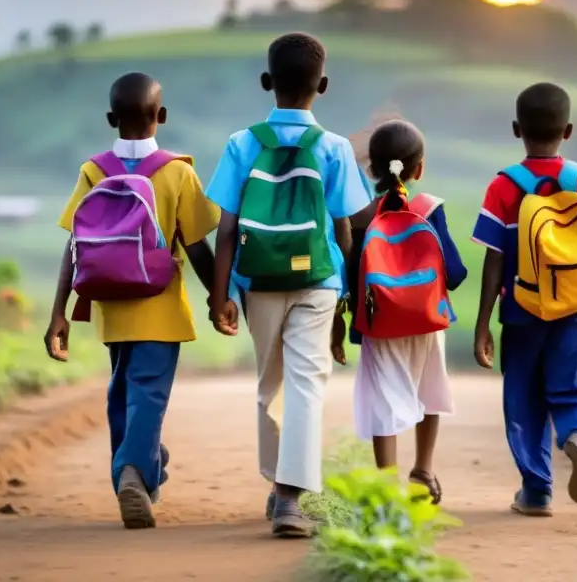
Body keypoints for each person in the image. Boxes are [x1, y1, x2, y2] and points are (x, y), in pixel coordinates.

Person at [205, 33, 371, 538]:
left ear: (266, 82)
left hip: (256, 280)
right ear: (322, 85)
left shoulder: (242, 143)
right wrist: (346, 293)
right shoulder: (335, 147)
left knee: (270, 385)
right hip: (317, 279)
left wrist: (221, 296)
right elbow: (347, 226)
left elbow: (227, 227)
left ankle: (281, 489)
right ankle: (290, 497)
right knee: (307, 383)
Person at [45, 72, 220, 529]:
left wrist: (58, 314)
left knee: (122, 392)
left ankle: (145, 466)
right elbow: (197, 244)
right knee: (148, 394)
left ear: (110, 119)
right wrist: (219, 298)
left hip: (109, 306)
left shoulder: (93, 170)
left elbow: (75, 246)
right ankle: (133, 473)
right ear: (161, 117)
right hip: (159, 305)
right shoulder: (177, 170)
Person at [471, 82, 577, 517]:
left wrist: (484, 323)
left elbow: (493, 260)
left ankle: (537, 491)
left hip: (521, 311)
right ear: (568, 131)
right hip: (575, 310)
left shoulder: (503, 187)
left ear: (516, 128)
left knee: (524, 399)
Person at [332, 119, 467, 505]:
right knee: (430, 392)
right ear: (419, 168)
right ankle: (423, 470)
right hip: (427, 322)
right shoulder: (429, 209)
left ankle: (385, 486)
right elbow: (454, 273)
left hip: (379, 325)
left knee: (384, 401)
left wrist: (344, 324)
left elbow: (351, 273)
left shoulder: (361, 217)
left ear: (371, 169)